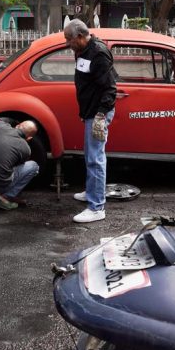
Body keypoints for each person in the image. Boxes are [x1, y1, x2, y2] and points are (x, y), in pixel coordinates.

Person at [64, 19, 116, 223]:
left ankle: (96, 207)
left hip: (98, 114)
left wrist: (100, 117)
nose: (68, 43)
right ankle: (92, 191)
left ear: (79, 36)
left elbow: (110, 89)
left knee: (95, 158)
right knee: (90, 156)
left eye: (69, 39)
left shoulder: (98, 53)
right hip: (89, 112)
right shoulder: (83, 51)